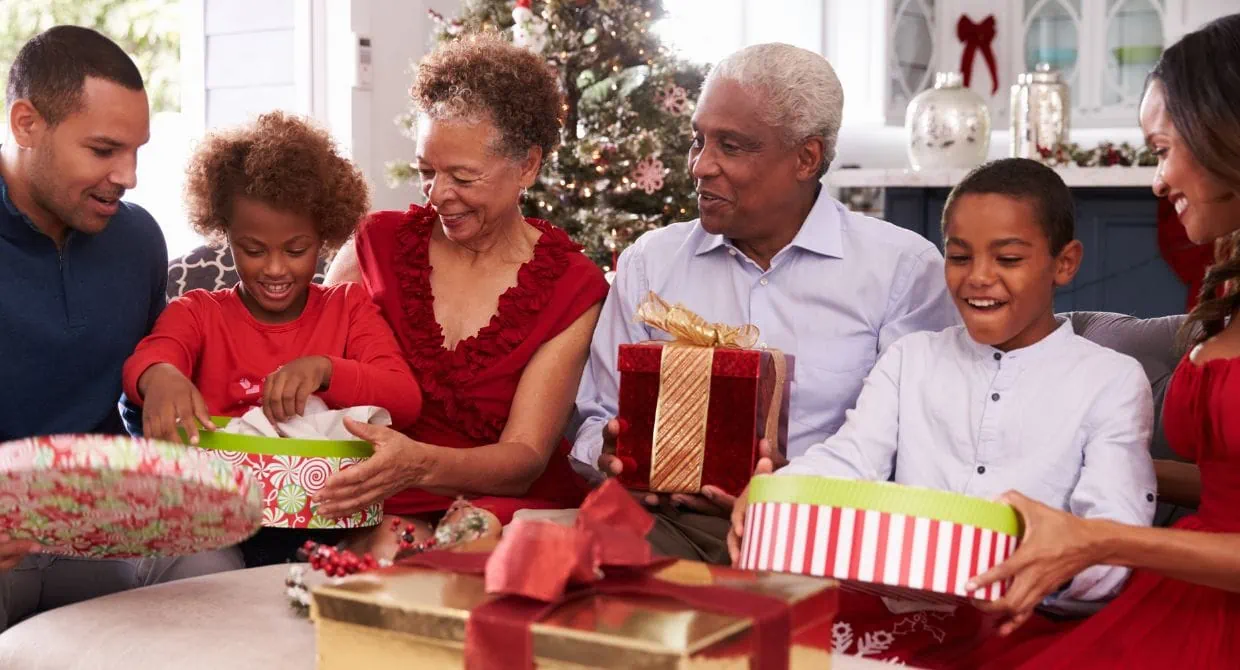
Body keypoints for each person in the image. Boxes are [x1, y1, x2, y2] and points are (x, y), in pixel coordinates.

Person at [728, 158, 1158, 664]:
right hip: (891, 609)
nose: (978, 278)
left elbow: (1114, 538)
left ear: (1064, 263)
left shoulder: (1110, 379)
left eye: (1008, 260)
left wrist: (1036, 568)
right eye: (959, 256)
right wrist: (777, 494)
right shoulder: (911, 358)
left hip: (1026, 621)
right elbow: (850, 458)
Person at [570, 43, 959, 565]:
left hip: (824, 539)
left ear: (806, 157)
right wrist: (610, 454)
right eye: (697, 140)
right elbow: (595, 414)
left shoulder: (901, 271)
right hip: (662, 528)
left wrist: (794, 489)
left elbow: (917, 447)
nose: (700, 166)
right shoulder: (650, 263)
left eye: (731, 146)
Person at [961, 16, 1240, 668]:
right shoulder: (1229, 293)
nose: (1157, 180)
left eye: (1164, 148)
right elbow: (1228, 487)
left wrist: (1097, 538)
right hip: (1182, 595)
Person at [319, 34, 609, 556]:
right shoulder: (374, 245)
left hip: (498, 502)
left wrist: (419, 463)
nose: (436, 195)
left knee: (473, 540)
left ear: (527, 167)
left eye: (463, 177)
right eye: (426, 171)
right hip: (374, 496)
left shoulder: (572, 286)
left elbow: (524, 459)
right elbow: (312, 367)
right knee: (390, 545)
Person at [0, 26, 240, 632]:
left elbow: (136, 385)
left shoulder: (135, 239)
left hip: (97, 522)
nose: (128, 175)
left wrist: (158, 379)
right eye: (104, 151)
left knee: (217, 575)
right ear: (26, 123)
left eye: (137, 151)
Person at [121, 111, 422, 566]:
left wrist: (325, 370)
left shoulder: (348, 307)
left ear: (324, 235)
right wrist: (160, 376)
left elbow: (404, 398)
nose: (276, 268)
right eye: (253, 249)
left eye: (297, 250)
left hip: (327, 520)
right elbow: (150, 359)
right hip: (217, 522)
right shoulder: (199, 312)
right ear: (225, 232)